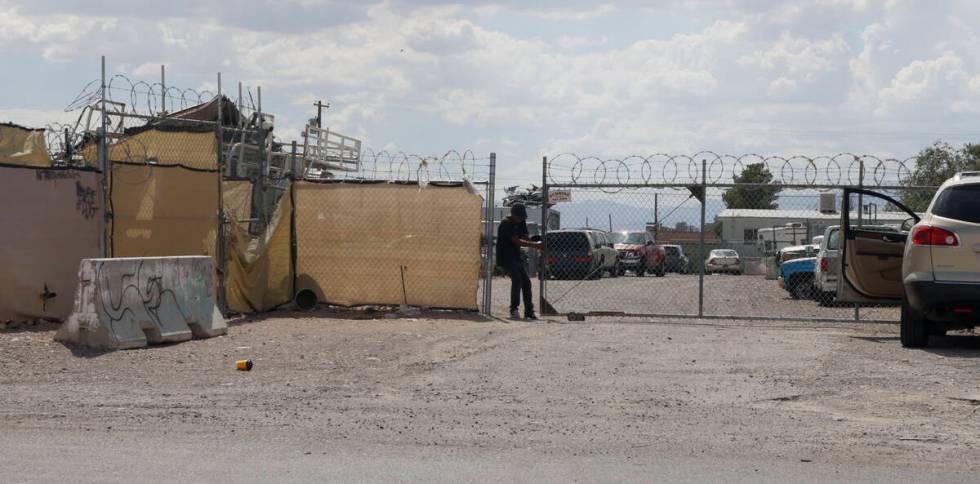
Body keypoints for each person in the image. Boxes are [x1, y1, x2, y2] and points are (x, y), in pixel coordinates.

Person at [496, 204, 543, 320]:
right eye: (519, 216)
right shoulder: (506, 223)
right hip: (505, 257)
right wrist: (535, 246)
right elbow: (516, 241)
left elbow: (525, 237)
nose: (521, 219)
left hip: (516, 257)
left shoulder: (521, 222)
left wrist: (535, 239)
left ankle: (529, 312)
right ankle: (514, 310)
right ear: (513, 214)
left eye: (522, 217)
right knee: (517, 279)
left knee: (526, 283)